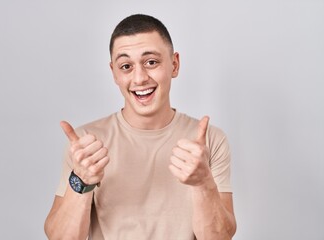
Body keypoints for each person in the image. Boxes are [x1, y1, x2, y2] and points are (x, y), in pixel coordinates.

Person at [44, 14, 236, 240]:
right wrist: (81, 182)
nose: (139, 78)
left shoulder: (208, 141)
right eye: (126, 66)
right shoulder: (87, 144)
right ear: (114, 72)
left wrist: (203, 184)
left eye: (151, 62)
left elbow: (220, 237)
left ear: (174, 65)